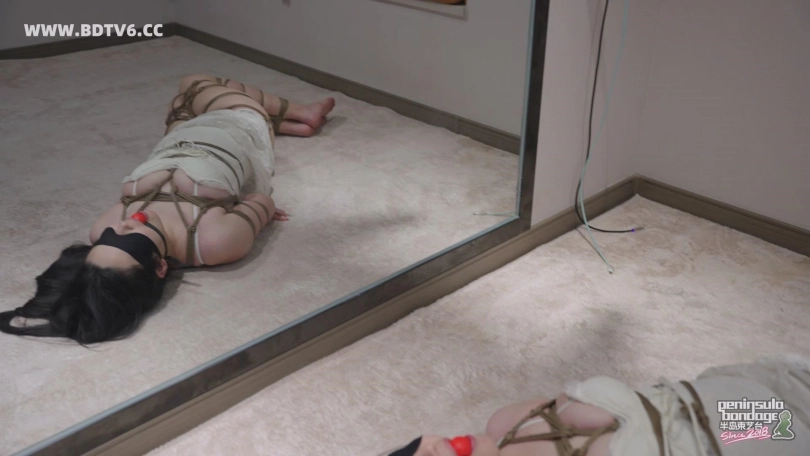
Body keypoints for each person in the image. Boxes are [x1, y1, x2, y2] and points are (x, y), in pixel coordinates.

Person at [0, 74, 336, 344]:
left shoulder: (103, 227)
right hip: (239, 127)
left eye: (108, 238)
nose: (123, 226)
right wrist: (248, 213)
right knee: (195, 82)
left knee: (181, 101)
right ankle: (297, 113)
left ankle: (291, 122)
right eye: (130, 241)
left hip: (176, 138)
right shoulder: (212, 241)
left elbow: (115, 237)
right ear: (161, 267)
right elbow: (263, 201)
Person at [385, 354, 809, 456]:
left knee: (782, 403)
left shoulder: (507, 422)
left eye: (413, 449)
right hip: (738, 431)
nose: (432, 447)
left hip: (724, 406)